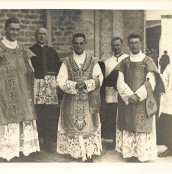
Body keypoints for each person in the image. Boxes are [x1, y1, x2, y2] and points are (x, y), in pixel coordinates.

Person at [0, 17, 40, 161]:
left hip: (22, 91)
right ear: (5, 29)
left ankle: (23, 149)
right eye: (12, 29)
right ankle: (6, 150)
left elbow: (31, 69)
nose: (15, 32)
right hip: (4, 91)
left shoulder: (23, 48)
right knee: (6, 117)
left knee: (24, 118)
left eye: (17, 29)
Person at [115, 34, 164, 162]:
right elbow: (120, 81)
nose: (134, 45)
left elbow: (151, 80)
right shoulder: (124, 62)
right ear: (128, 45)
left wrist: (138, 95)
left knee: (141, 126)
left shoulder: (148, 61)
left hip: (143, 101)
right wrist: (128, 95)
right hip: (128, 101)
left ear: (141, 44)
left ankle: (141, 153)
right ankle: (130, 153)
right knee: (129, 124)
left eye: (137, 43)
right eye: (131, 43)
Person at [56, 33, 103, 162]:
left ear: (84, 43)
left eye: (81, 43)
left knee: (89, 125)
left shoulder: (93, 61)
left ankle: (88, 152)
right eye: (76, 43)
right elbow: (60, 80)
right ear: (73, 44)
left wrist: (87, 84)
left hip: (88, 101)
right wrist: (74, 85)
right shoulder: (67, 61)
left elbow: (99, 77)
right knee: (72, 125)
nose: (78, 45)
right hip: (71, 100)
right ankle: (74, 152)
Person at [29, 27, 61, 151]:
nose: (42, 36)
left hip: (50, 85)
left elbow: (58, 68)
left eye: (44, 34)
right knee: (38, 111)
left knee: (50, 112)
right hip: (37, 84)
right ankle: (39, 139)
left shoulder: (52, 51)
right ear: (35, 36)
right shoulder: (30, 51)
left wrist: (56, 83)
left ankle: (49, 140)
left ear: (47, 36)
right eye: (39, 34)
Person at [101, 37, 128, 150]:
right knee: (112, 117)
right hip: (111, 94)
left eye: (118, 45)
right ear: (111, 47)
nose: (116, 48)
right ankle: (114, 139)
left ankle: (124, 139)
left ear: (122, 45)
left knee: (124, 116)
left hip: (124, 93)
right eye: (114, 45)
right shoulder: (107, 62)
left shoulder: (128, 59)